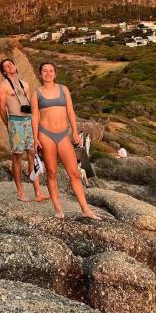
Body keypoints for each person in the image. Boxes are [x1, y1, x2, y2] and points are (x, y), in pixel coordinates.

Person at [31, 62, 100, 220]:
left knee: (74, 173)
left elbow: (70, 111)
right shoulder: (36, 93)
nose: (48, 74)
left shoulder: (63, 89)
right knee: (52, 172)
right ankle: (57, 208)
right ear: (40, 74)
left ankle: (85, 209)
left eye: (51, 71)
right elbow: (34, 117)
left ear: (55, 74)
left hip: (63, 134)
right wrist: (35, 137)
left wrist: (75, 131)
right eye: (45, 71)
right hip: (45, 134)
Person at [0, 58, 50, 203]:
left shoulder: (25, 84)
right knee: (17, 157)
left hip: (29, 121)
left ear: (15, 66)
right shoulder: (3, 86)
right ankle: (20, 192)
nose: (9, 66)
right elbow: (2, 107)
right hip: (15, 122)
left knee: (33, 155)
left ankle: (38, 192)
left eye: (10, 64)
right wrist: (8, 124)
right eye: (5, 66)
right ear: (4, 71)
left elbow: (31, 104)